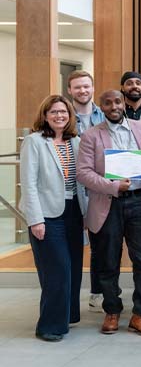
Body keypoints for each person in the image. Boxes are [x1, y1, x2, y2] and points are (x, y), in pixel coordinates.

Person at [77, 90, 141, 336]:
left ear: (124, 103)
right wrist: (113, 186)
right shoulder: (91, 135)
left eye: (117, 101)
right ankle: (112, 310)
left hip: (138, 202)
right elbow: (83, 173)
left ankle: (140, 314)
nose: (114, 106)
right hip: (107, 203)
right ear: (101, 107)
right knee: (108, 261)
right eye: (108, 102)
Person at [20, 96, 88, 342]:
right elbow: (28, 183)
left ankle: (66, 316)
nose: (60, 116)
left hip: (74, 212)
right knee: (57, 268)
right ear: (45, 115)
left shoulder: (77, 142)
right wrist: (35, 219)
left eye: (64, 112)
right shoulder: (34, 141)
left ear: (70, 116)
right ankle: (49, 325)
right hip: (47, 213)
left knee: (73, 269)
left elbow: (84, 180)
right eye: (54, 112)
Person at [66, 70, 105, 311]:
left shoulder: (103, 115)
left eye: (86, 86)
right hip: (72, 188)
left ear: (92, 88)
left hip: (100, 188)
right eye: (77, 87)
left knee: (100, 243)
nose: (82, 91)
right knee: (74, 245)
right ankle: (69, 298)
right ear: (69, 90)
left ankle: (97, 293)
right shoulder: (63, 115)